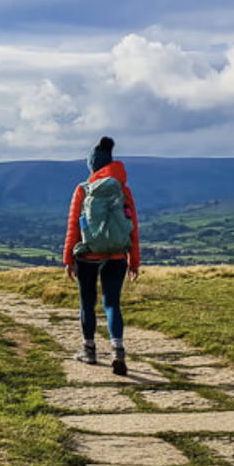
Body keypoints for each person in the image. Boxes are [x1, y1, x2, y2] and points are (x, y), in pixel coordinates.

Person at [63, 136, 140, 374]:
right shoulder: (123, 190)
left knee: (87, 302)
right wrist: (133, 261)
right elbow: (132, 226)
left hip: (88, 255)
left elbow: (74, 226)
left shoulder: (83, 189)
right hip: (117, 255)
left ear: (92, 166)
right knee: (112, 303)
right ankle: (118, 350)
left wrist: (68, 259)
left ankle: (89, 350)